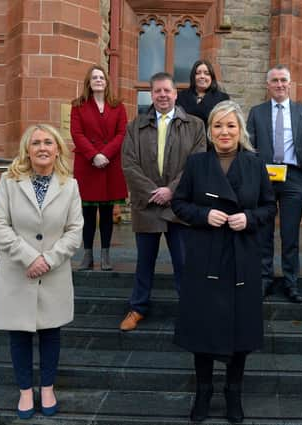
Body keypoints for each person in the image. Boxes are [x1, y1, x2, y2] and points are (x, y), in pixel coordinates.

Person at [172, 100, 276, 423]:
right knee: (203, 328)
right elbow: (178, 203)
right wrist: (204, 214)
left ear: (240, 129)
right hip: (205, 256)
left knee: (239, 329)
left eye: (230, 125)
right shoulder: (197, 164)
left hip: (241, 257)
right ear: (210, 131)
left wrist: (249, 217)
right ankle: (203, 391)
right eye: (218, 126)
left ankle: (234, 392)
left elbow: (269, 207)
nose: (224, 132)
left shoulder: (255, 164)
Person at [0, 124, 84, 419]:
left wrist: (49, 259)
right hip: (17, 272)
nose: (42, 148)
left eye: (48, 142)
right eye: (36, 143)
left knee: (50, 332)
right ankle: (25, 392)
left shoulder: (70, 185)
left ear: (57, 149)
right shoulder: (9, 181)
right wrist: (29, 258)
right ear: (26, 151)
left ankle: (47, 388)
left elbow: (75, 230)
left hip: (53, 273)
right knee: (18, 334)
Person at [120, 72, 206, 331]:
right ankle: (137, 308)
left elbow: (196, 162)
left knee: (183, 261)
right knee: (144, 262)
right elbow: (129, 164)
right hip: (147, 206)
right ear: (151, 94)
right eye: (157, 91)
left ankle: (190, 309)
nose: (162, 95)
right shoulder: (135, 126)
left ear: (176, 93)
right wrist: (153, 192)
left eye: (167, 90)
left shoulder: (194, 125)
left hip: (179, 205)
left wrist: (171, 191)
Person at [246, 64, 302, 303]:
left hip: (294, 178)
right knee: (264, 232)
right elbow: (249, 147)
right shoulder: (256, 112)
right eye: (274, 80)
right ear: (268, 85)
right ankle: (265, 279)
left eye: (283, 80)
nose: (279, 84)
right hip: (264, 179)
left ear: (290, 83)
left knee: (290, 233)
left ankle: (291, 282)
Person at [71, 64, 128, 271]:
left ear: (106, 82)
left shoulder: (118, 106)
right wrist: (94, 155)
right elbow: (77, 134)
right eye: (94, 77)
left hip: (110, 164)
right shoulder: (78, 105)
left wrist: (105, 154)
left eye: (101, 77)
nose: (98, 80)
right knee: (87, 213)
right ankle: (87, 255)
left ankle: (105, 255)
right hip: (88, 165)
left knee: (106, 212)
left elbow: (122, 134)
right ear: (89, 82)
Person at [176, 59, 230, 133]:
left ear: (212, 77)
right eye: (198, 73)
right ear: (193, 76)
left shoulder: (222, 98)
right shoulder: (181, 96)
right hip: (186, 141)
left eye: (206, 73)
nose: (202, 76)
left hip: (210, 142)